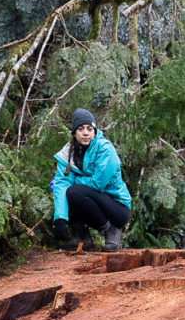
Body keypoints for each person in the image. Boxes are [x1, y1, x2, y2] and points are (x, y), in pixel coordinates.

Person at [50, 108, 131, 252]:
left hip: (117, 208)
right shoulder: (67, 154)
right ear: (74, 133)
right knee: (67, 191)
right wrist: (60, 219)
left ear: (94, 131)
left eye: (89, 128)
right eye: (80, 129)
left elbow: (97, 184)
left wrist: (73, 180)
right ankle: (82, 237)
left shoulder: (105, 149)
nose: (85, 133)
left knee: (74, 190)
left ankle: (112, 230)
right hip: (95, 204)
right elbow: (61, 185)